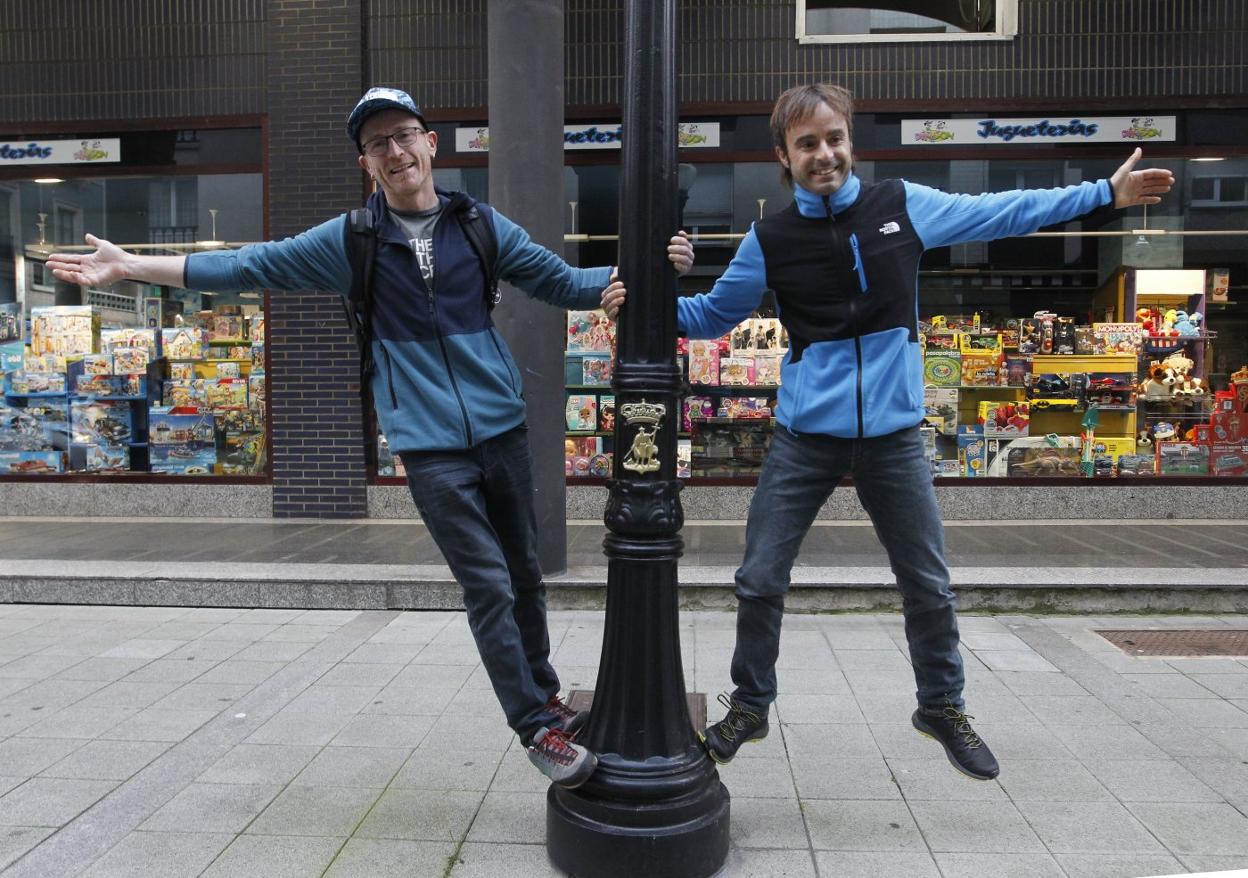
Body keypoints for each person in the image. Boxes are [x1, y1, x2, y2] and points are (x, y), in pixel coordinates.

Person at [49, 86, 694, 789]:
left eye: (404, 135)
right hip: (428, 446)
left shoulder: (479, 226)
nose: (395, 151)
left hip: (503, 430)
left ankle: (546, 697)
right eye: (378, 143)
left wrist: (653, 268)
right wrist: (134, 266)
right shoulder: (350, 241)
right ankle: (535, 727)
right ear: (367, 163)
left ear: (429, 145)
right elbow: (246, 264)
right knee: (487, 585)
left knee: (525, 580)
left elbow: (566, 281)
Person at [602, 83, 1173, 781]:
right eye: (807, 143)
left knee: (928, 581)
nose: (825, 154)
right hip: (805, 436)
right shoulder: (769, 238)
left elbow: (1004, 210)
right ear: (784, 156)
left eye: (834, 138)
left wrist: (1102, 195)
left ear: (851, 141)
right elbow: (716, 315)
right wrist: (643, 300)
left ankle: (942, 705)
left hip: (895, 436)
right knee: (758, 576)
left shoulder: (901, 206)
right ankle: (750, 706)